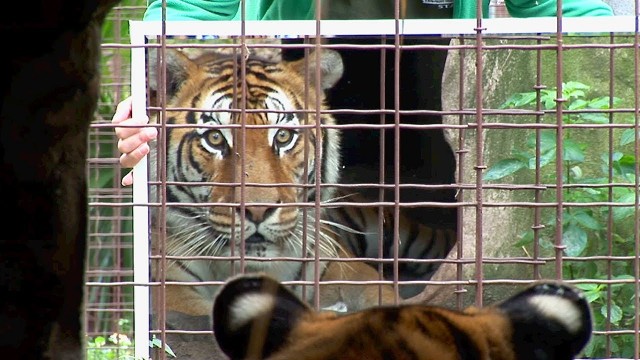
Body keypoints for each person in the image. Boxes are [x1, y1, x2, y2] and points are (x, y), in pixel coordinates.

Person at [113, 0, 614, 187]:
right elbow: (182, 17)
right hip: (300, 108)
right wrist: (149, 99)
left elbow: (585, 16)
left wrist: (619, 72)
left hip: (440, 110)